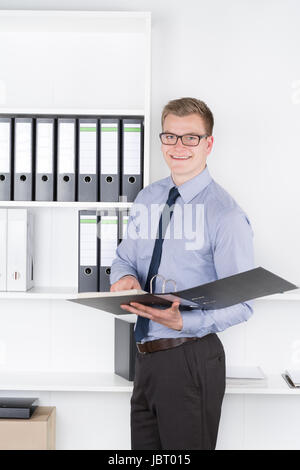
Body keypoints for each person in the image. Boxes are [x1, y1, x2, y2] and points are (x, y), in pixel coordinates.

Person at [110, 97, 254, 450]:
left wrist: (183, 323)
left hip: (190, 357)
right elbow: (125, 258)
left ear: (209, 143)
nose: (179, 146)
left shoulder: (225, 215)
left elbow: (243, 303)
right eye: (170, 136)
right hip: (145, 357)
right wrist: (125, 278)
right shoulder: (148, 198)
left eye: (190, 138)